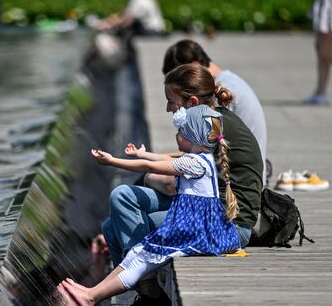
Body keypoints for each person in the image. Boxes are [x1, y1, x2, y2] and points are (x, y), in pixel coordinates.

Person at [100, 64, 263, 304]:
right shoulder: (212, 119)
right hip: (202, 209)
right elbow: (180, 167)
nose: (167, 108)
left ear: (193, 101)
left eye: (171, 101)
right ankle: (144, 283)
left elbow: (171, 183)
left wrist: (147, 173)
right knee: (119, 205)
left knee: (114, 225)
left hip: (224, 224)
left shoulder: (213, 126)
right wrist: (149, 162)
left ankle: (146, 285)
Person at [57, 105, 241, 306]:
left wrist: (113, 161)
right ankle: (92, 292)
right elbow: (161, 160)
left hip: (196, 230)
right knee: (138, 252)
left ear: (190, 137)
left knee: (143, 257)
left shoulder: (195, 164)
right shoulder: (200, 159)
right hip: (195, 225)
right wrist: (142, 154)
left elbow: (152, 167)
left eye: (180, 132)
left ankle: (92, 297)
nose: (177, 136)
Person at [162, 39, 268, 181]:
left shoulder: (221, 93)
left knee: (158, 176)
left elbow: (205, 154)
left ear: (194, 65)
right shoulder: (225, 82)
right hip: (241, 168)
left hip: (237, 178)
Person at [93, 0, 165, 36]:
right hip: (157, 28)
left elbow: (129, 19)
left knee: (121, 31)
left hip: (151, 30)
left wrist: (109, 25)